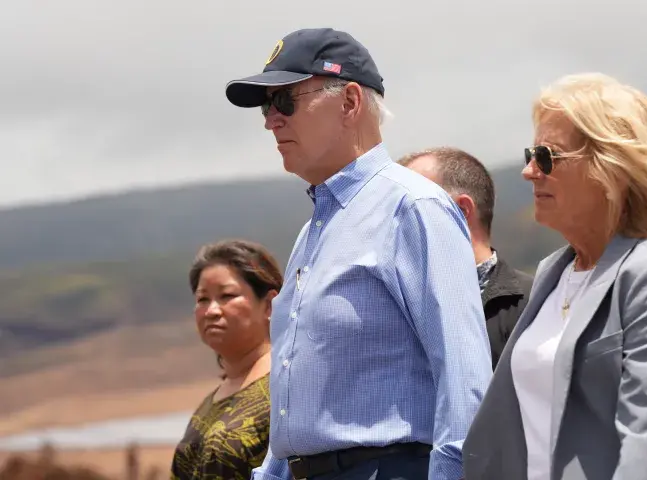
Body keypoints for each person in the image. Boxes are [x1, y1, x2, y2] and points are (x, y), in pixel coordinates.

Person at [225, 28, 492, 480]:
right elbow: (302, 404)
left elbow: (464, 376)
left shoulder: (413, 208)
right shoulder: (311, 233)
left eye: (286, 100)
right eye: (266, 106)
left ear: (349, 102)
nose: (271, 119)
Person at [462, 72, 647, 480]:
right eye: (530, 154)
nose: (529, 171)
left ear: (610, 168)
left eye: (545, 156)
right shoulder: (552, 273)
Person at [398, 147, 534, 368]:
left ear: (461, 211)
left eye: (408, 206)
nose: (392, 223)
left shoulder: (536, 305)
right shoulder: (395, 315)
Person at [171, 239, 282, 480]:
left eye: (227, 295)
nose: (211, 311)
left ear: (270, 305)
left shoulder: (285, 388)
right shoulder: (210, 403)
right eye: (202, 299)